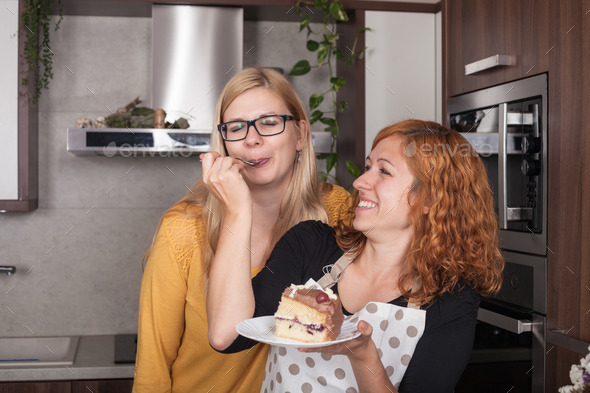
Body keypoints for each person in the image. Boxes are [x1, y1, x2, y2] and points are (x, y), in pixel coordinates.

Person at [207, 119, 505, 393]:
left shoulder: (449, 301)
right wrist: (237, 211)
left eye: (383, 171)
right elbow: (226, 337)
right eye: (367, 167)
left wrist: (363, 356)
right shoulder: (309, 245)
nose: (360, 182)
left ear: (429, 198)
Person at [132, 67, 351, 393]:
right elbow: (153, 363)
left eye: (269, 122)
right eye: (236, 128)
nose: (252, 138)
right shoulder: (183, 228)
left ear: (300, 135)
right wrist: (237, 211)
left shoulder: (336, 209)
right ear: (224, 143)